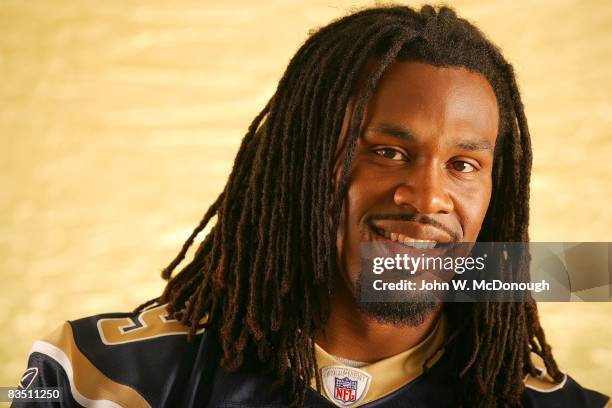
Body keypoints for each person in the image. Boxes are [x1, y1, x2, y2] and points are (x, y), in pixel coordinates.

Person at [13, 5, 610, 408]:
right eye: (387, 151)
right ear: (300, 165)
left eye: (463, 165)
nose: (428, 198)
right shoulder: (103, 376)